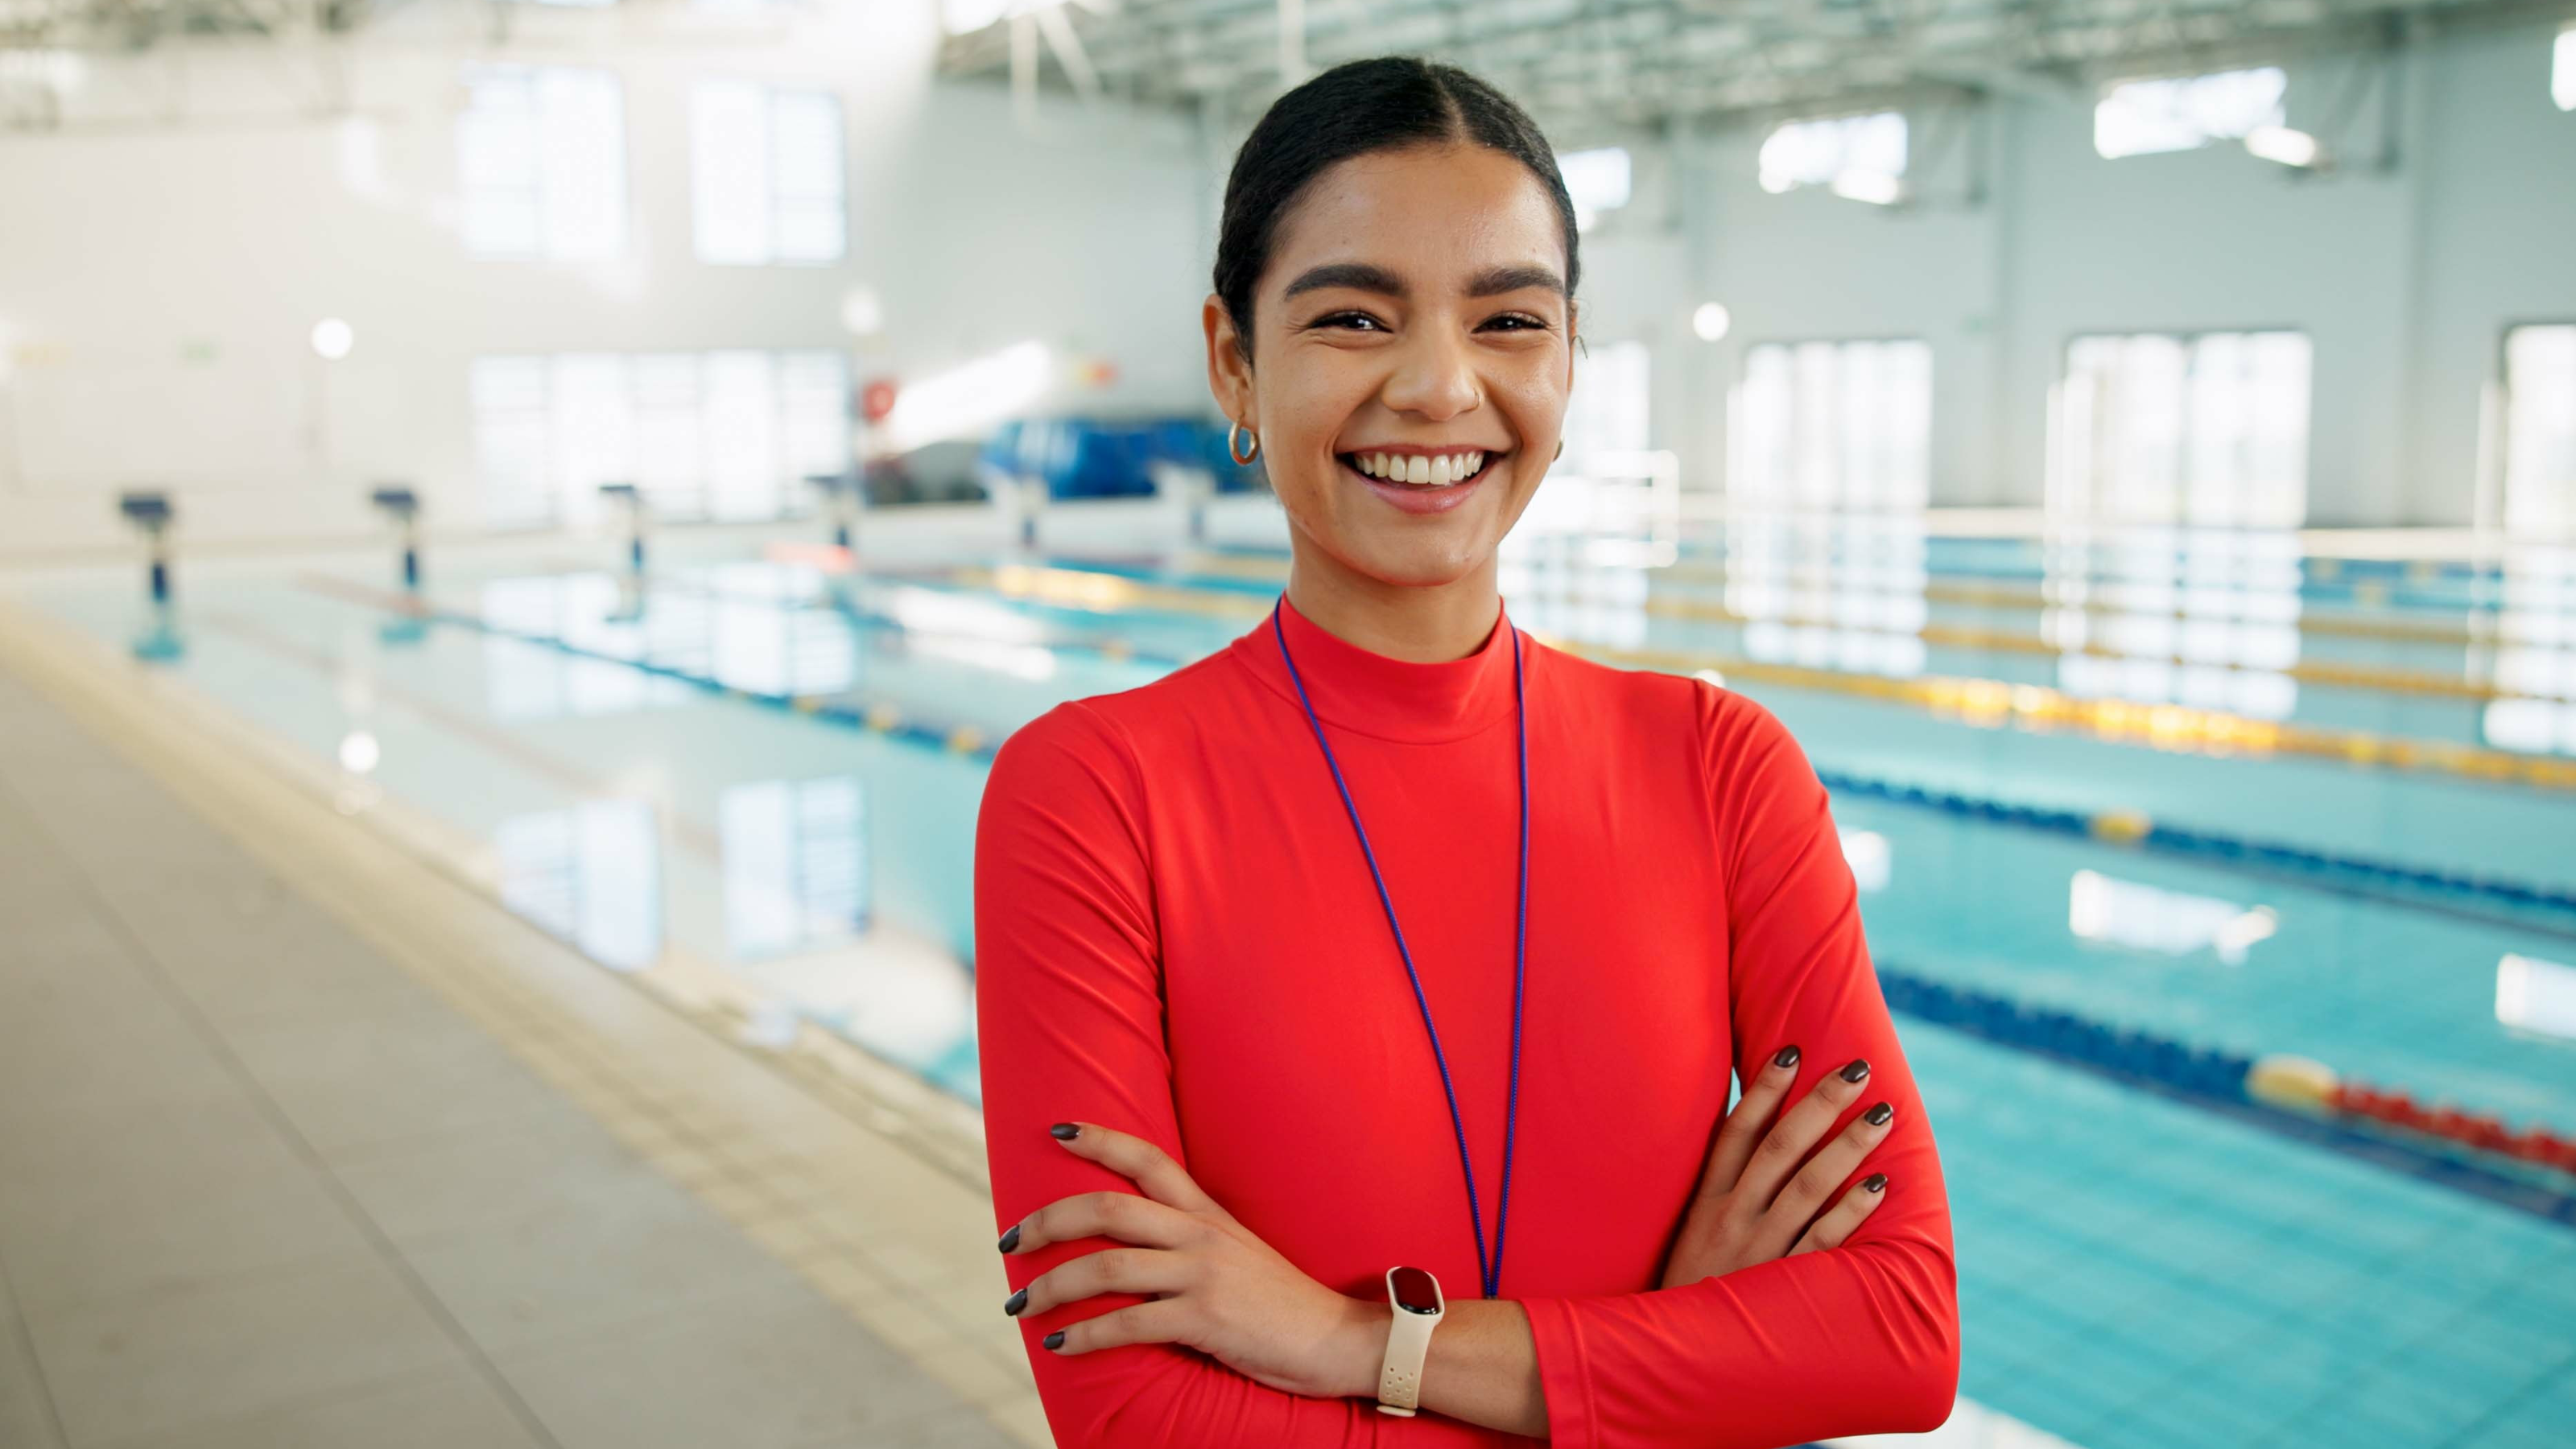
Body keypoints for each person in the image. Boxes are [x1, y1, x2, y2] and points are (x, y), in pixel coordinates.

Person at [973, 56, 1959, 1448]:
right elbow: (1135, 1416)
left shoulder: (1722, 768)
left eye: (1507, 319)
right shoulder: (1093, 795)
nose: (1440, 387)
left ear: (1565, 362)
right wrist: (1675, 1369)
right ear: (1232, 360)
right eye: (1354, 317)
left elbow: (1901, 1335)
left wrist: (1338, 1342)